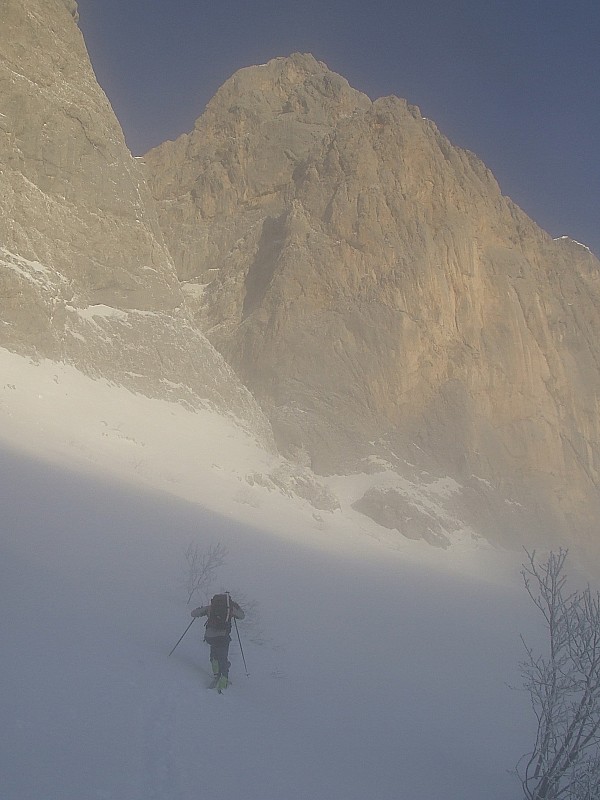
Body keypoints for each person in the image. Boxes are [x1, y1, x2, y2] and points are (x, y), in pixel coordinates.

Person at [191, 593, 244, 690]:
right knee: (223, 659)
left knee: (214, 655)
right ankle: (223, 682)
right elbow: (242, 616)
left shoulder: (211, 607)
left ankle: (216, 675)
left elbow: (193, 613)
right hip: (223, 637)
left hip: (210, 636)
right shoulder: (230, 609)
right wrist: (235, 607)